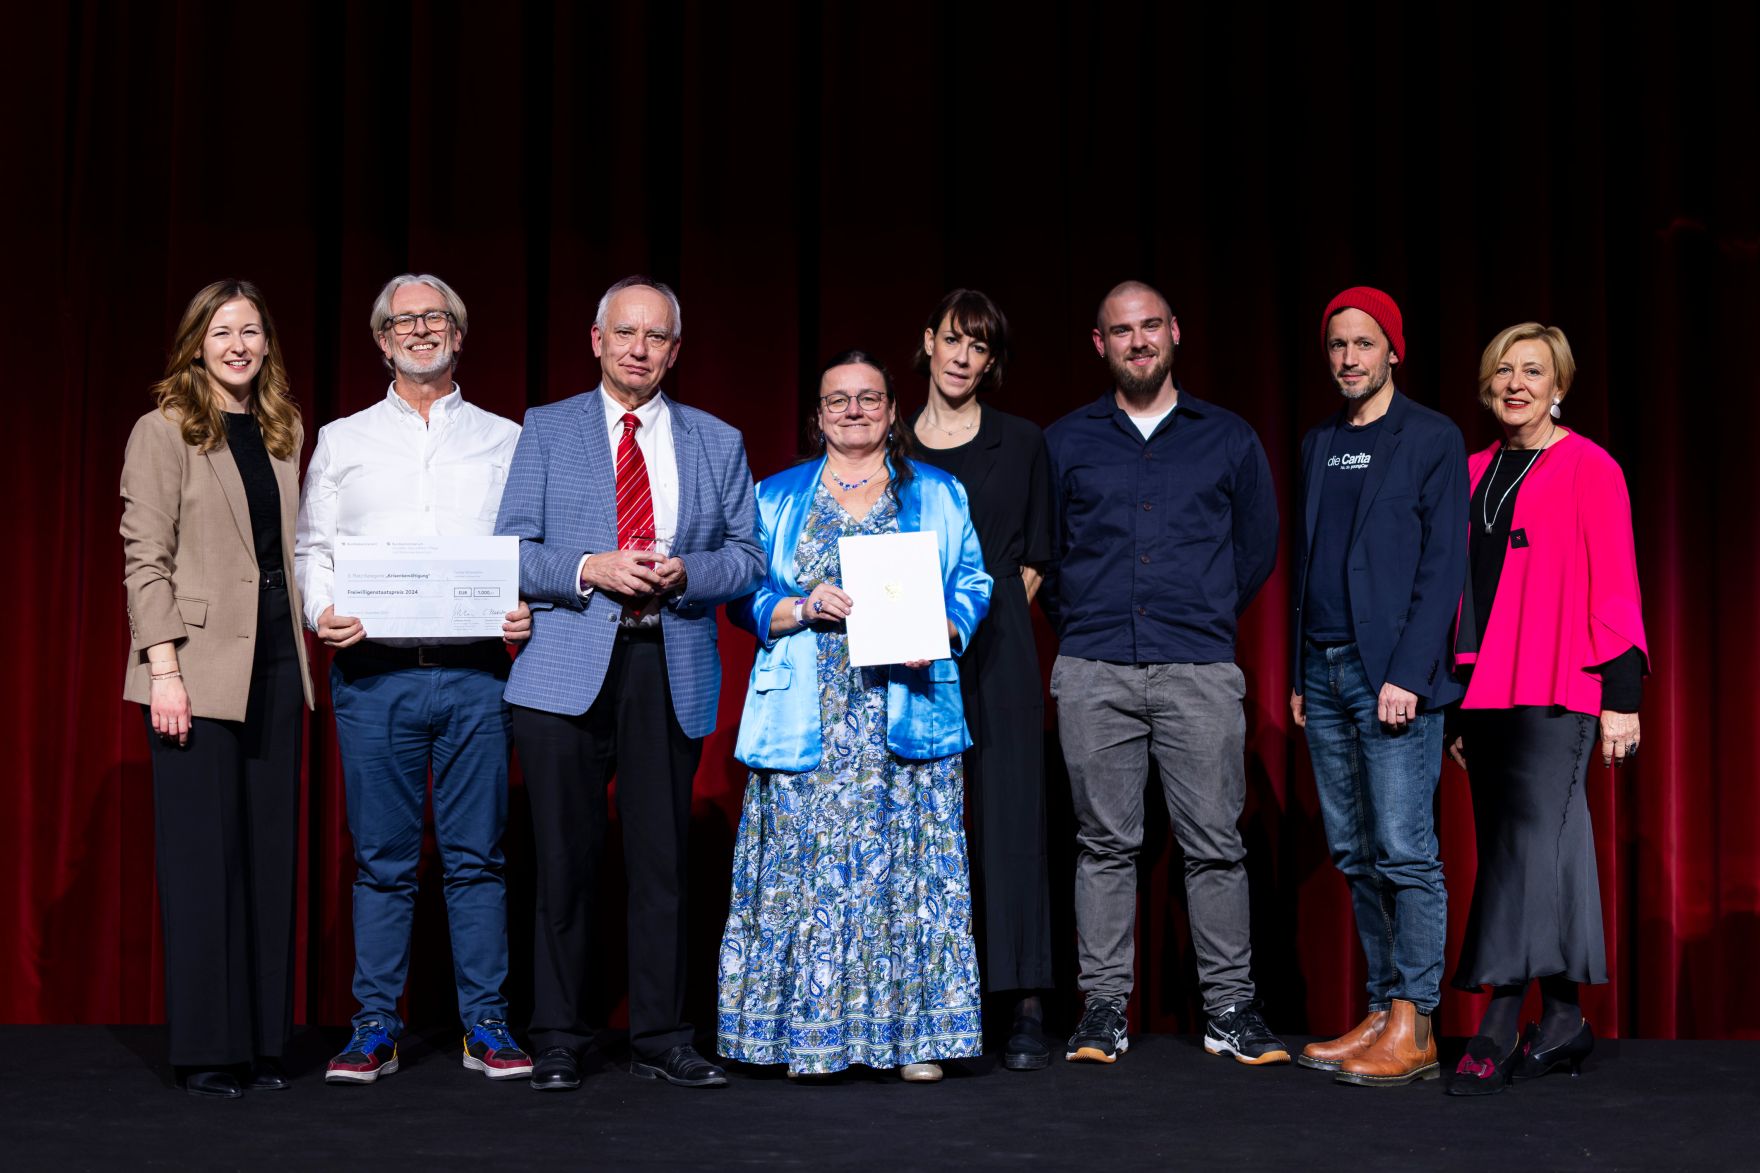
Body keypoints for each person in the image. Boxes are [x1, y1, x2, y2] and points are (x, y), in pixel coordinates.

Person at [497, 275, 764, 1092]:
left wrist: (688, 571)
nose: (639, 349)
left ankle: (663, 1034)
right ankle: (557, 1036)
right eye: (626, 333)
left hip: (668, 662)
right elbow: (508, 547)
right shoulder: (546, 430)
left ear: (674, 350)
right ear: (597, 340)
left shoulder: (717, 440)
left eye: (656, 337)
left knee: (662, 863)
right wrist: (589, 566)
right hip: (562, 672)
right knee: (563, 863)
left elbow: (749, 559)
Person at [717, 350, 993, 1082]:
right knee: (801, 876)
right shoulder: (774, 497)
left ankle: (915, 1040)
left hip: (906, 707)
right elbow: (741, 590)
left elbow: (974, 579)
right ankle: (797, 1033)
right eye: (837, 400)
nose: (854, 411)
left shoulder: (938, 492)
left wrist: (943, 627)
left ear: (893, 410)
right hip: (808, 714)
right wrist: (800, 605)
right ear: (816, 415)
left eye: (869, 398)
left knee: (909, 875)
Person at [294, 274, 534, 1085]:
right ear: (382, 339)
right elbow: (313, 550)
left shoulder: (506, 440)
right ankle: (373, 1026)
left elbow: (525, 551)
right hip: (374, 676)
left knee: (478, 859)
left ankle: (487, 1024)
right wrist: (323, 610)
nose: (421, 330)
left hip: (476, 675)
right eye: (405, 320)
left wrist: (523, 608)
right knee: (383, 862)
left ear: (459, 335)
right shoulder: (342, 437)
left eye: (436, 318)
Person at [1046, 280, 1287, 1067]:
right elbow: (1045, 555)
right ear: (1100, 343)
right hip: (1094, 666)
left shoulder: (1228, 437)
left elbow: (1256, 549)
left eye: (1152, 326)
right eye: (1123, 330)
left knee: (1215, 845)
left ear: (1176, 331)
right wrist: (1086, 620)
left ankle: (1229, 1008)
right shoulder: (1067, 440)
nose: (1139, 340)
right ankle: (1104, 1009)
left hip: (1198, 667)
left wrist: (1203, 608)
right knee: (1103, 845)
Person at [121, 280, 314, 1098]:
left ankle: (263, 1044)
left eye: (253, 331)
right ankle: (209, 1049)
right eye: (223, 330)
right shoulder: (162, 430)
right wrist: (163, 670)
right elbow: (145, 560)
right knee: (205, 864)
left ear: (267, 343)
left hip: (277, 663)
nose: (239, 344)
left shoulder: (282, 429)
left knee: (268, 860)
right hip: (193, 671)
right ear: (197, 340)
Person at [1444, 323, 1647, 1095]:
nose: (1516, 382)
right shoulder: (1469, 471)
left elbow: (1618, 582)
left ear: (1558, 383)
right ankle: (1563, 1018)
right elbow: (1458, 596)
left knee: (1520, 850)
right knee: (1534, 848)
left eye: (1533, 370)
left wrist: (1621, 699)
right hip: (1483, 688)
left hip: (1562, 684)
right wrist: (1456, 707)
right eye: (1503, 369)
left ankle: (1498, 1017)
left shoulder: (1591, 466)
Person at [1289, 288, 1468, 1086]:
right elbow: (1311, 561)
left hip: (1390, 675)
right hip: (1324, 670)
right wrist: (1299, 668)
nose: (1349, 358)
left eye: (1363, 343)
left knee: (1404, 850)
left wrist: (1409, 671)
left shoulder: (1431, 438)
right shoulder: (1318, 442)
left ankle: (1417, 1022)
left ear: (1393, 349)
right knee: (1354, 851)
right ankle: (1383, 1006)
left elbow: (1443, 569)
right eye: (1337, 345)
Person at [908, 289, 1057, 1071]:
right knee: (925, 824)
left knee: (1010, 818)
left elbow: (1034, 557)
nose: (964, 357)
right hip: (906, 651)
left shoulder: (1022, 441)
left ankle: (1023, 1002)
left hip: (997, 646)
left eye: (980, 347)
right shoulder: (894, 443)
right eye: (954, 340)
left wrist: (970, 624)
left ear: (991, 361)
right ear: (927, 342)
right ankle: (934, 997)